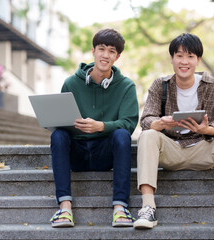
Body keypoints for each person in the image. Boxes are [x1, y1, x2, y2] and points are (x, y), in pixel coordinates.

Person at [133, 33, 214, 230]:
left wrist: (206, 129)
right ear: (172, 59)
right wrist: (162, 123)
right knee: (148, 134)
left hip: (203, 149)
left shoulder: (211, 86)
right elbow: (146, 120)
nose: (184, 62)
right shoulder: (161, 85)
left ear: (198, 60)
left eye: (190, 56)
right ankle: (148, 207)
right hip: (171, 151)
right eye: (180, 56)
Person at [50, 29, 139, 228]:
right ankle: (64, 208)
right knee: (58, 135)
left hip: (104, 154)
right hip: (77, 153)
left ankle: (120, 208)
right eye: (101, 49)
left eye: (111, 51)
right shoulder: (71, 83)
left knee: (122, 135)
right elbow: (61, 119)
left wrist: (101, 126)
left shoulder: (126, 87)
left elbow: (129, 123)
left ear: (117, 56)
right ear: (93, 51)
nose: (105, 55)